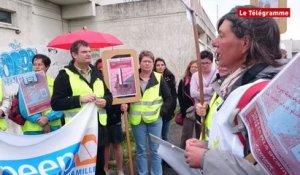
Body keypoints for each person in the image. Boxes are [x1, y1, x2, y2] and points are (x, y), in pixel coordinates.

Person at [184, 5, 286, 174]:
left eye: (221, 35)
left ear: (245, 43)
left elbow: (265, 170)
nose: (214, 43)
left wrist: (205, 159)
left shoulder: (267, 98)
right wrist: (207, 148)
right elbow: (238, 149)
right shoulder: (238, 84)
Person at [51, 40, 113, 175]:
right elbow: (55, 103)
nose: (89, 54)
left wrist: (106, 101)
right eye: (84, 52)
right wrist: (79, 99)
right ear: (74, 55)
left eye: (89, 51)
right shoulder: (64, 75)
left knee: (99, 167)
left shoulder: (96, 72)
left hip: (98, 130)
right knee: (80, 169)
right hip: (77, 132)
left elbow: (108, 94)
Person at [128, 50, 172, 175]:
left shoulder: (158, 78)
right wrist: (123, 105)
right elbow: (124, 97)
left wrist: (161, 112)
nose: (147, 64)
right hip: (137, 121)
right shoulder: (132, 78)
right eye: (144, 61)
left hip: (155, 120)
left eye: (150, 61)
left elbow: (169, 98)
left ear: (153, 63)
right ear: (140, 63)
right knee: (141, 150)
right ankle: (143, 173)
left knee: (156, 150)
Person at [18, 54, 64, 135]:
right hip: (33, 129)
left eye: (40, 64)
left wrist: (48, 118)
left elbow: (61, 105)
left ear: (47, 67)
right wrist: (39, 120)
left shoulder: (55, 82)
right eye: (34, 65)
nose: (36, 67)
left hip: (54, 126)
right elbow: (23, 108)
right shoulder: (25, 83)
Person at [95, 58, 125, 175]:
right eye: (99, 68)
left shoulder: (115, 80)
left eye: (104, 68)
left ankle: (120, 170)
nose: (102, 70)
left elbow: (123, 95)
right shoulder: (96, 81)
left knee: (117, 144)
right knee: (105, 145)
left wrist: (124, 106)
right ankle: (105, 169)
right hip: (102, 118)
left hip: (115, 116)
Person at [190, 50, 217, 138]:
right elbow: (193, 93)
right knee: (200, 134)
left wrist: (202, 90)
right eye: (202, 63)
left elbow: (217, 92)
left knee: (213, 133)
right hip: (199, 109)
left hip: (213, 108)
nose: (205, 65)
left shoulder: (217, 74)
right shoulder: (195, 76)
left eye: (207, 63)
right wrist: (210, 90)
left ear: (212, 62)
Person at [154, 57, 177, 142]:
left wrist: (172, 108)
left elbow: (174, 95)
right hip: (156, 110)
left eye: (162, 65)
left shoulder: (170, 77)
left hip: (168, 110)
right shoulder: (152, 78)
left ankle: (165, 154)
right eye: (158, 65)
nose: (160, 67)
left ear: (165, 66)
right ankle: (157, 154)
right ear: (155, 67)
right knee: (157, 136)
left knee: (165, 135)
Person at [177, 60, 198, 149]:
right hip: (188, 111)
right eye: (192, 66)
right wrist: (184, 111)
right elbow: (180, 96)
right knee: (186, 135)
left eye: (196, 67)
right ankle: (182, 153)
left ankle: (198, 154)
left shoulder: (203, 79)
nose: (193, 68)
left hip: (200, 110)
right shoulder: (184, 80)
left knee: (200, 135)